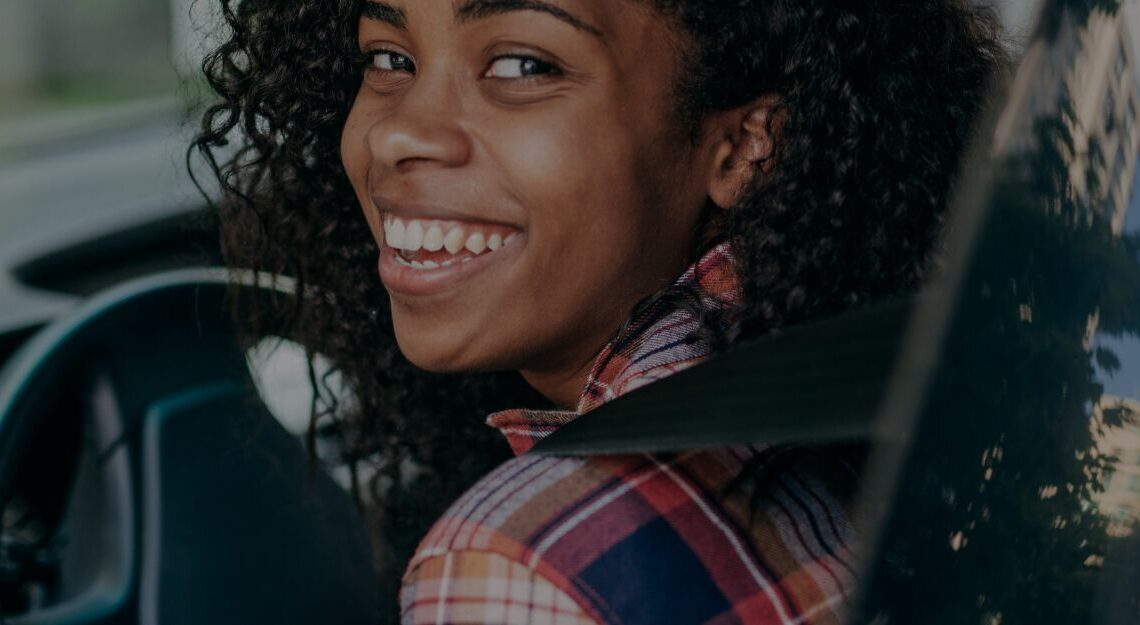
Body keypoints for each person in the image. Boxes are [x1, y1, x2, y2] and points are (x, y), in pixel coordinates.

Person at [193, 0, 1006, 622]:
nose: (400, 134)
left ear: (741, 146)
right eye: (389, 56)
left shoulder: (515, 565)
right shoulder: (896, 393)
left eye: (522, 65)